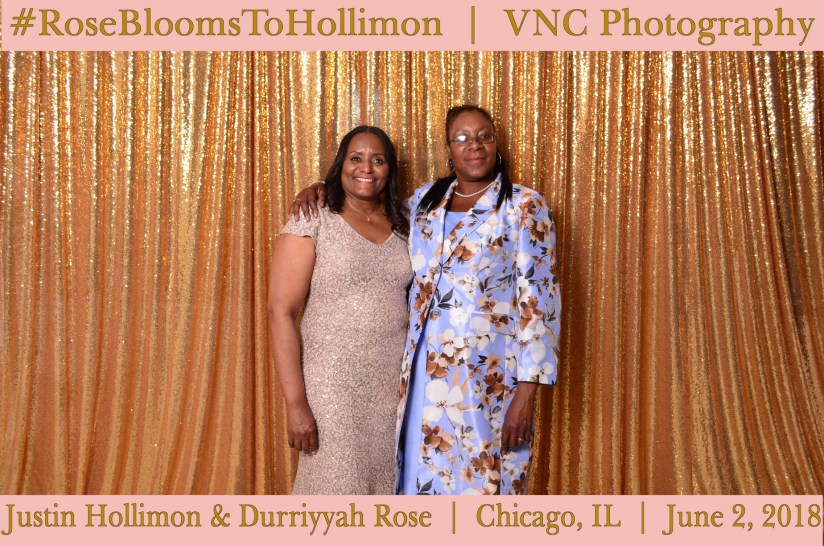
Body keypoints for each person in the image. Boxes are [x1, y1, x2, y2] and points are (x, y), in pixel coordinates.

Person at [292, 105, 560, 495]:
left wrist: (527, 392)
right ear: (449, 148)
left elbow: (540, 302)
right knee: (420, 485)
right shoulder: (424, 202)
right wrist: (321, 187)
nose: (474, 145)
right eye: (462, 138)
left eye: (484, 136)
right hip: (423, 375)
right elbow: (368, 199)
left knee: (484, 484)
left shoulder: (524, 205)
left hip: (486, 379)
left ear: (496, 144)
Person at [268, 126, 412, 494]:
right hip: (332, 386)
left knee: (385, 490)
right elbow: (280, 311)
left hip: (391, 387)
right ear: (340, 165)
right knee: (337, 488)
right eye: (356, 158)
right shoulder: (313, 216)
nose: (366, 168)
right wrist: (296, 404)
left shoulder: (406, 222)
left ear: (390, 169)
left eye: (378, 160)